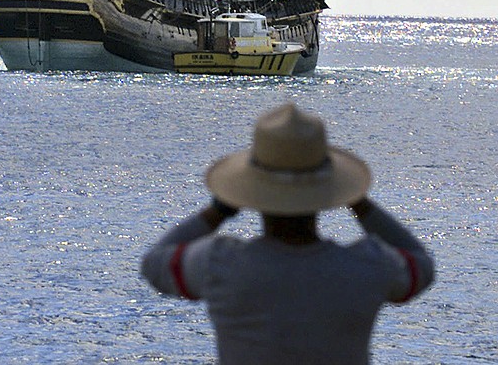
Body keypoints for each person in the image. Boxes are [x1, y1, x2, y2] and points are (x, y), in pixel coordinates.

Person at [140, 102, 435, 364]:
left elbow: (154, 263)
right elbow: (421, 263)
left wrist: (218, 210)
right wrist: (359, 203)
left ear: (251, 188)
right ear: (331, 187)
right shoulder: (369, 267)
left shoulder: (219, 264)